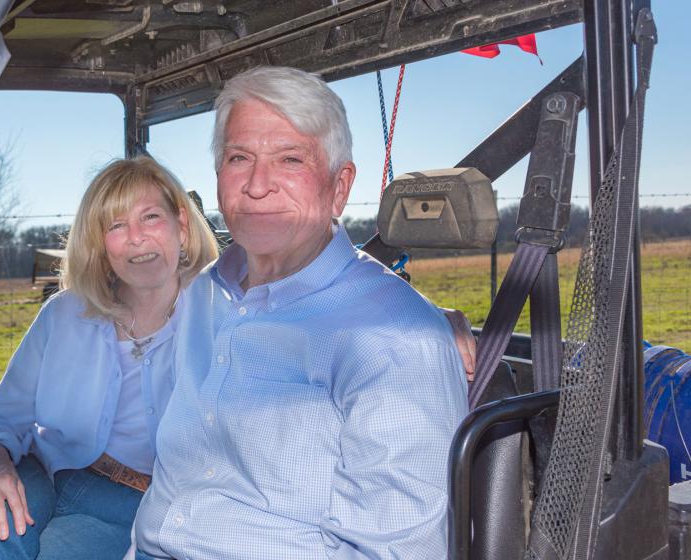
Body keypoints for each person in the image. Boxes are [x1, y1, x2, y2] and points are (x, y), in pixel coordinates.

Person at [131, 66, 469, 559]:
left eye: (290, 159)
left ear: (339, 186)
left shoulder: (396, 338)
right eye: (239, 157)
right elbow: (175, 478)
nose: (258, 184)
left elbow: (397, 553)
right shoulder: (205, 295)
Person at [0, 155, 219, 560]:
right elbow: (1, 415)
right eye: (116, 226)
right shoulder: (65, 312)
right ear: (100, 243)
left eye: (150, 217)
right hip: (38, 474)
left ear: (182, 224)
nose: (136, 237)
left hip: (133, 503)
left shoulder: (221, 317)